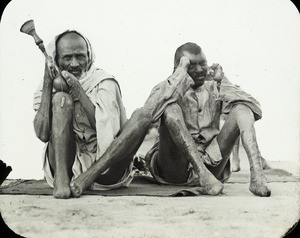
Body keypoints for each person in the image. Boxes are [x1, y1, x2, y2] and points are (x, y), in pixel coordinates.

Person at [69, 42, 271, 198]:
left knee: (242, 108)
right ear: (178, 67)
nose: (200, 70)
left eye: (203, 63)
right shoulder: (169, 86)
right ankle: (201, 174)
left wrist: (222, 80)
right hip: (175, 166)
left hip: (212, 161)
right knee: (170, 107)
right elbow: (148, 112)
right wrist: (180, 74)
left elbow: (254, 108)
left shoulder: (215, 86)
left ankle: (257, 175)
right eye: (192, 65)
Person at [33, 30, 131, 199]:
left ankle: (84, 179)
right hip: (63, 163)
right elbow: (42, 134)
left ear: (89, 56)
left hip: (101, 165)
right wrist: (49, 85)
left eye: (80, 56)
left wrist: (78, 91)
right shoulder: (47, 83)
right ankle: (61, 181)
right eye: (67, 57)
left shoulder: (104, 82)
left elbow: (107, 132)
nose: (74, 64)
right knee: (61, 100)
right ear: (56, 60)